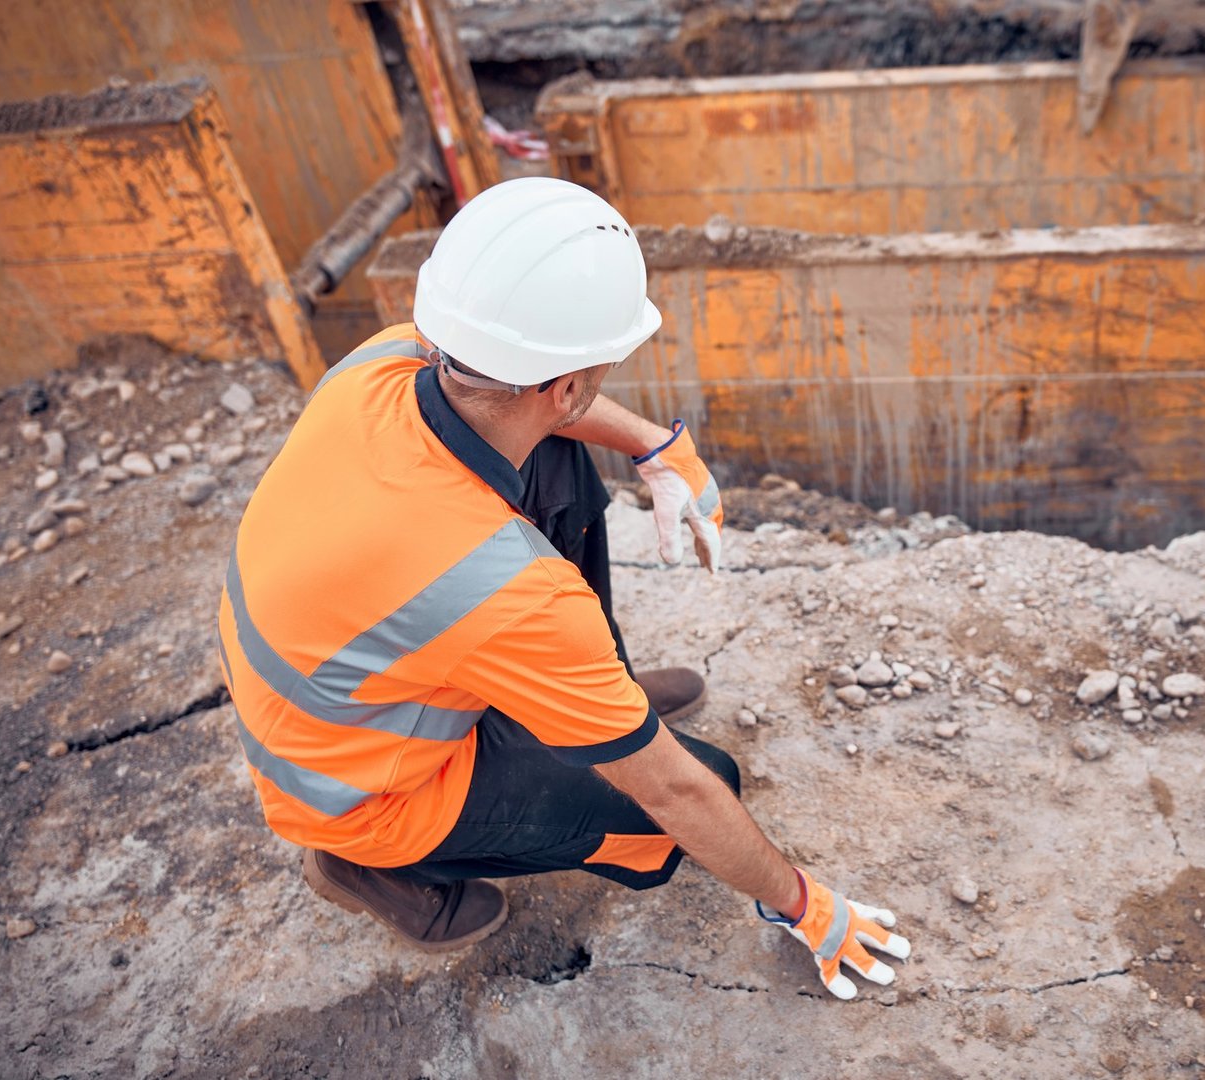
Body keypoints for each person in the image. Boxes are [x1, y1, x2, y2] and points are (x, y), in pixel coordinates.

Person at [216, 177, 909, 999]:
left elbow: (540, 406)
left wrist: (656, 446)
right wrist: (802, 903)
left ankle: (585, 701)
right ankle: (364, 867)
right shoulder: (506, 592)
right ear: (568, 383)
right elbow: (675, 790)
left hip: (336, 684)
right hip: (358, 793)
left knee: (555, 458)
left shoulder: (393, 358)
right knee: (704, 785)